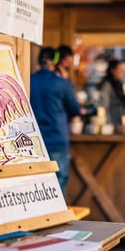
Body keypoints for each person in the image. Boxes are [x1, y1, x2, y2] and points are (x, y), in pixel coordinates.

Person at [30, 46, 83, 195]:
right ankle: (58, 219)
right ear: (56, 61)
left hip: (34, 143)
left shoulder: (28, 81)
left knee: (35, 189)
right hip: (57, 140)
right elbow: (75, 109)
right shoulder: (62, 84)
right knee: (58, 186)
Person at [97, 59, 125, 125]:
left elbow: (122, 104)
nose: (123, 72)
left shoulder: (118, 84)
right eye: (121, 70)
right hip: (110, 123)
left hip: (117, 122)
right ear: (113, 71)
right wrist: (107, 124)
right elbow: (104, 106)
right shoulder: (107, 86)